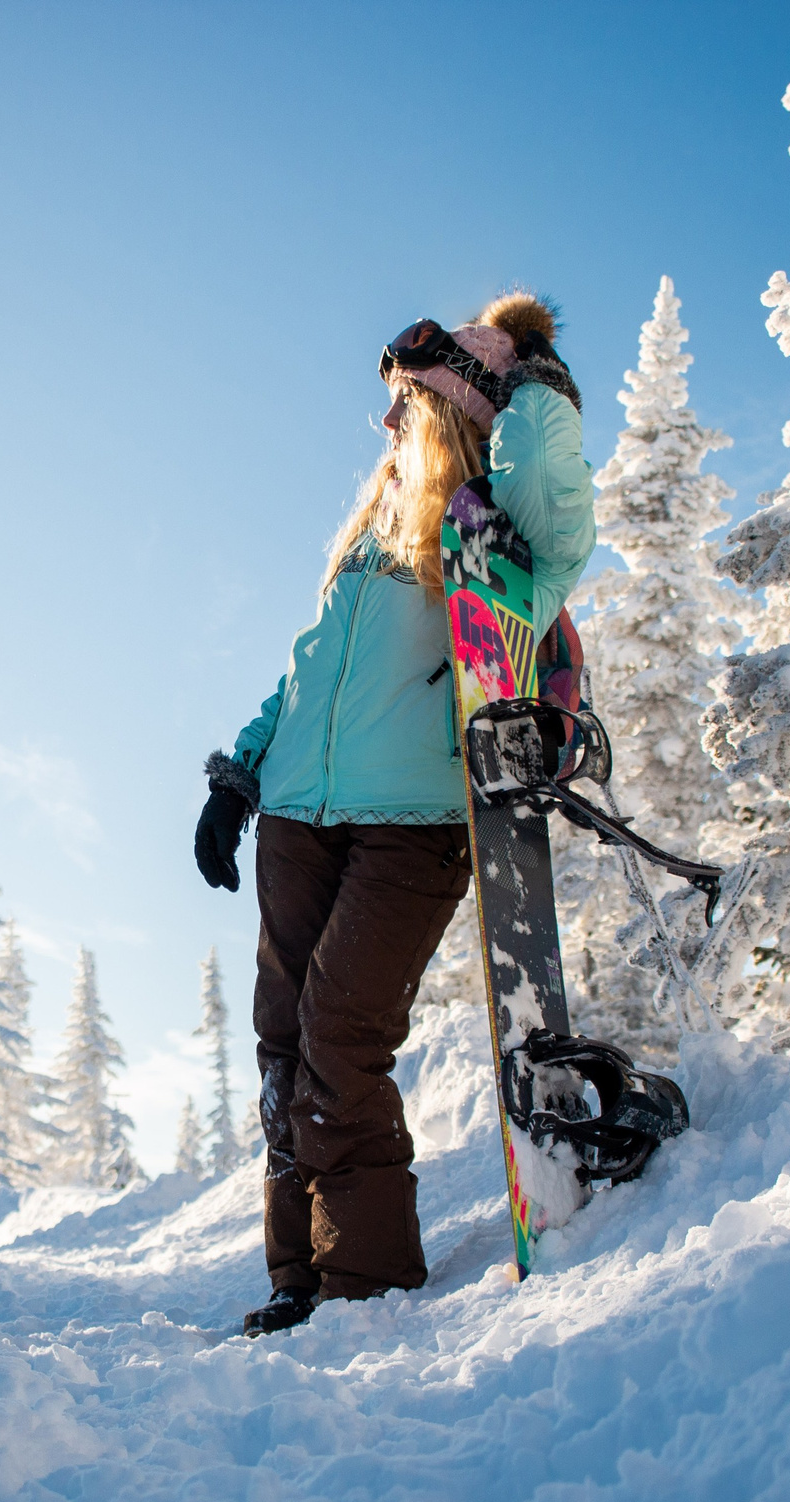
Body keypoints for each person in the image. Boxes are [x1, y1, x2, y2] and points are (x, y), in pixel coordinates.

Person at [196, 294, 595, 1336]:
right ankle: (298, 1273)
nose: (384, 425)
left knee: (340, 1031)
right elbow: (306, 673)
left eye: (404, 405)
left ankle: (363, 1281)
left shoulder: (492, 533)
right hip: (297, 812)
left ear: (453, 410)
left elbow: (559, 524)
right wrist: (239, 776)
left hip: (412, 821)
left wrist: (532, 385)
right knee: (283, 1040)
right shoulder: (372, 535)